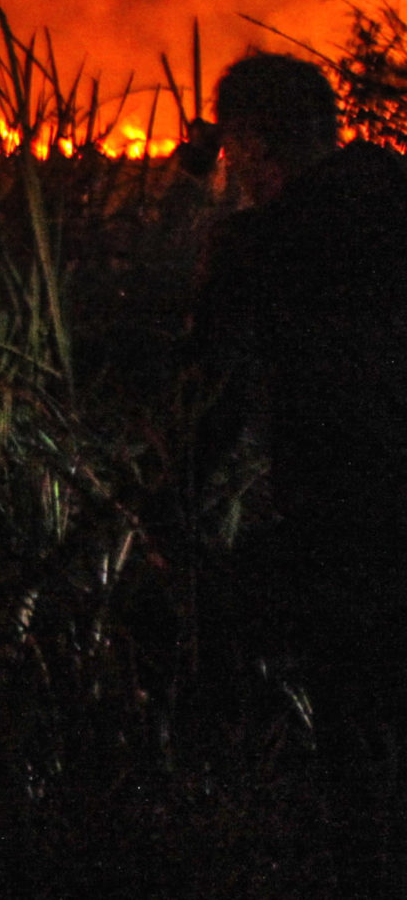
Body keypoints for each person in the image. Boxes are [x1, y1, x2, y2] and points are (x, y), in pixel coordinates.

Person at [183, 52, 407, 882]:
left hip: (342, 522)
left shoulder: (263, 243)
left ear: (252, 141)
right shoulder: (394, 190)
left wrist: (176, 507)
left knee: (347, 733)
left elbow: (211, 398)